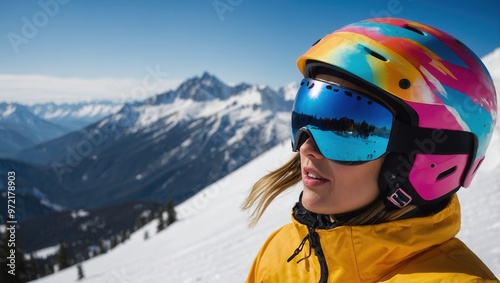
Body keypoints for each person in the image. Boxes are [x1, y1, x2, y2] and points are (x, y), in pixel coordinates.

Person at [242, 18, 498, 282]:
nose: (307, 147)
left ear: (429, 160)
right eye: (308, 116)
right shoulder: (279, 255)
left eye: (349, 130)